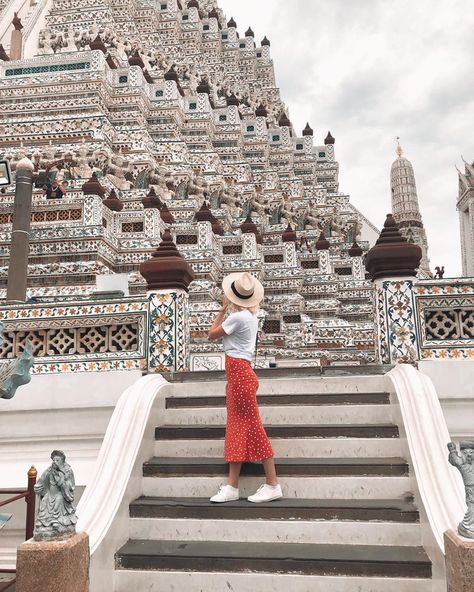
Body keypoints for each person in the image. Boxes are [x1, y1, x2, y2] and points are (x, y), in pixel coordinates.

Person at [208, 271, 282, 503]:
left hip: (240, 375)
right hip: (239, 374)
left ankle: (272, 483)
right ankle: (233, 486)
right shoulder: (250, 316)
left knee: (251, 428)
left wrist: (221, 310)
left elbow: (211, 335)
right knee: (238, 428)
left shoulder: (238, 318)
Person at [33, 450, 77, 539]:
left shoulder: (67, 471)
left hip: (60, 494)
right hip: (50, 493)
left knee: (58, 500)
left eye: (57, 460)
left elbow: (70, 485)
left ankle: (56, 521)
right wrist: (38, 486)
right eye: (54, 460)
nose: (55, 462)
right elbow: (42, 479)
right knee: (45, 500)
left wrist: (62, 483)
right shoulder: (49, 470)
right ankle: (42, 522)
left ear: (62, 461)